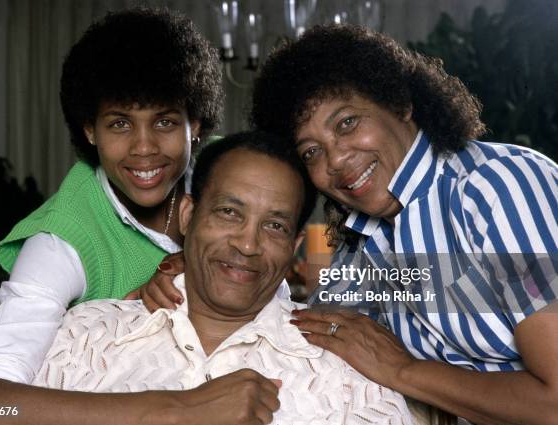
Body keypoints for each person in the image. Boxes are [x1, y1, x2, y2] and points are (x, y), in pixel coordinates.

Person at [144, 24, 558, 424]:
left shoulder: (497, 189)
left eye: (347, 123)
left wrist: (403, 371)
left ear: (400, 103)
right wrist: (196, 273)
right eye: (311, 152)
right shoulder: (362, 238)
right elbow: (315, 332)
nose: (336, 161)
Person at [0, 131, 414, 425]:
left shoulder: (347, 373)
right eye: (229, 212)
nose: (248, 244)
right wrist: (172, 409)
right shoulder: (85, 336)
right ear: (189, 214)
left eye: (273, 226)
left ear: (295, 243)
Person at [0, 7, 222, 410]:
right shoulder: (61, 239)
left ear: (194, 124)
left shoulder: (231, 176)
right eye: (120, 124)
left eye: (164, 122)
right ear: (89, 129)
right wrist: (173, 413)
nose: (143, 148)